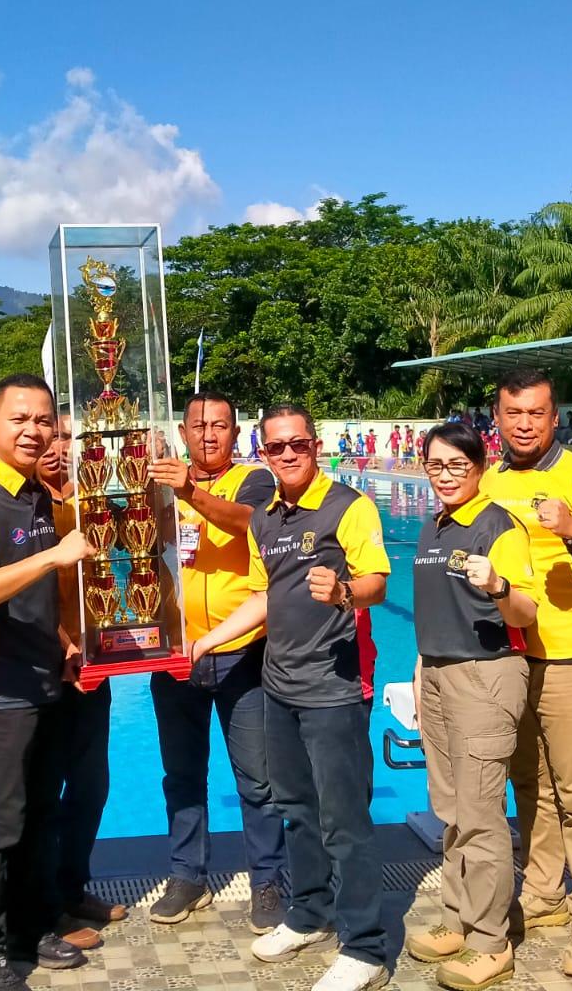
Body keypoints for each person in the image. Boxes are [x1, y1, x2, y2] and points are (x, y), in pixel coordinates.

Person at [191, 405, 391, 991]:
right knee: (296, 809)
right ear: (264, 452)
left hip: (333, 687)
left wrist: (344, 590)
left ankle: (366, 947)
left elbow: (377, 583)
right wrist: (210, 639)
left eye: (297, 444)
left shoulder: (348, 506)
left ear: (315, 445)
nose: (288, 454)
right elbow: (265, 598)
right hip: (279, 685)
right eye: (276, 447)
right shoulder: (265, 519)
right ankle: (308, 914)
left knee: (343, 820)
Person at [0, 374, 92, 991]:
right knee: (0, 822)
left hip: (39, 676)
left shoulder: (33, 494)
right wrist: (51, 557)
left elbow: (28, 599)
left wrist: (66, 646)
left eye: (43, 421)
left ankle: (31, 928)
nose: (33, 432)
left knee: (38, 814)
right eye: (19, 420)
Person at [479, 367, 572, 980]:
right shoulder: (487, 479)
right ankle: (543, 890)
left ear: (554, 415)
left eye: (536, 413)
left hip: (567, 651)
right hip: (509, 654)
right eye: (514, 413)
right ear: (499, 417)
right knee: (528, 782)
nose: (525, 424)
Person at [404, 422, 539, 991]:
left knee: (481, 815)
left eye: (457, 465)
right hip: (436, 673)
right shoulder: (433, 526)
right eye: (436, 465)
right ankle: (460, 918)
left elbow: (527, 614)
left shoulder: (498, 527)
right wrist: (419, 672)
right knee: (452, 807)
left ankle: (491, 940)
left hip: (485, 678)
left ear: (479, 467)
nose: (446, 476)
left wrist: (500, 586)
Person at [148, 393, 287, 932]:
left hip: (241, 651)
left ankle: (268, 880)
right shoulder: (159, 483)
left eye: (220, 426)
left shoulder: (253, 480)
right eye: (199, 426)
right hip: (176, 653)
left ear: (236, 433)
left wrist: (189, 489)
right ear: (183, 432)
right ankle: (188, 875)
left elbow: (247, 523)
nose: (209, 436)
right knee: (182, 775)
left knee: (257, 779)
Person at [37, 412, 126, 939]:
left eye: (67, 437)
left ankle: (72, 887)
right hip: (43, 663)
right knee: (46, 789)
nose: (57, 446)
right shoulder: (23, 502)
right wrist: (59, 640)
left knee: (91, 784)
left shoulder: (89, 500)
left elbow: (146, 538)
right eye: (49, 435)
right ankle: (47, 905)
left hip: (93, 661)